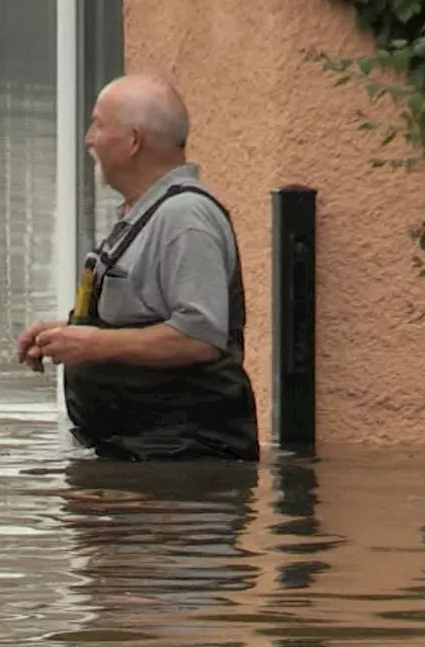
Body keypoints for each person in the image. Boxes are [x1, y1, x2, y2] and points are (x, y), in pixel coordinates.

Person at [16, 72, 259, 463]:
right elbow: (139, 319)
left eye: (98, 124)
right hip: (145, 457)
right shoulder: (147, 213)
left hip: (184, 465)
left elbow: (200, 337)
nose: (88, 139)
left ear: (133, 141)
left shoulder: (185, 218)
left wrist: (93, 344)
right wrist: (69, 333)